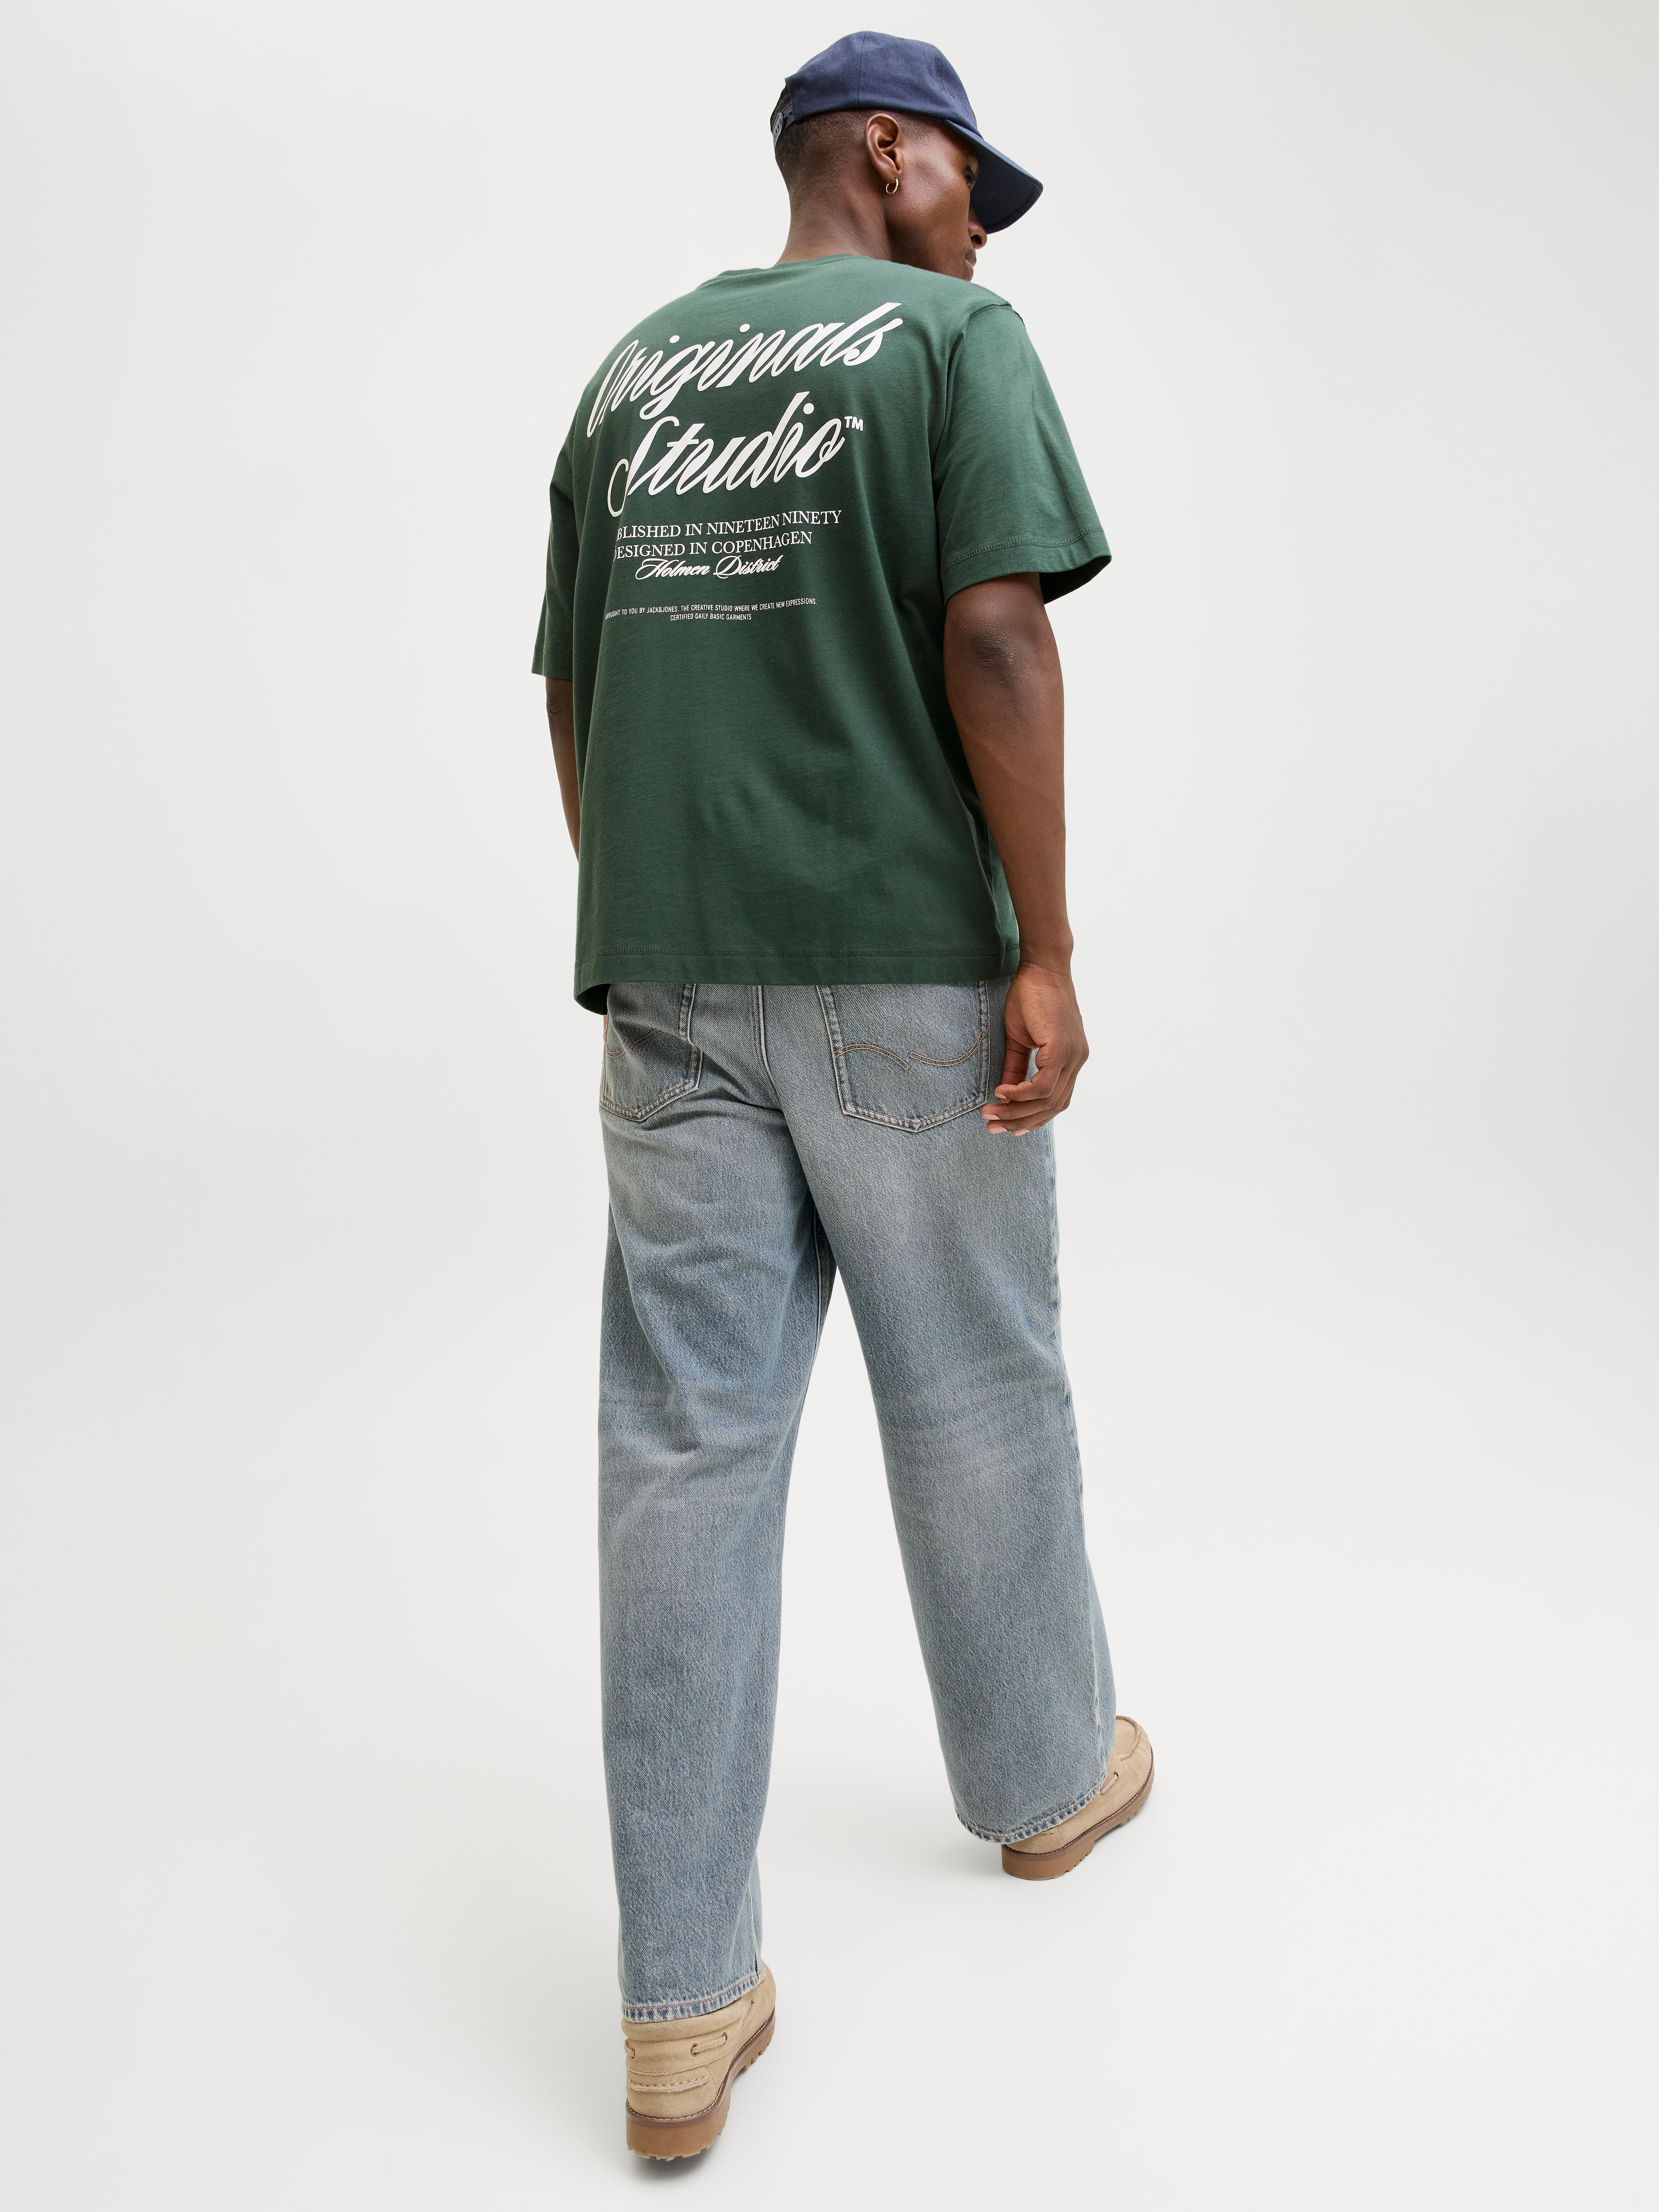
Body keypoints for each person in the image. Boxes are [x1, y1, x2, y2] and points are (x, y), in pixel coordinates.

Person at [533, 29, 1153, 2161]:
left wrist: (657, 914)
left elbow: (574, 680)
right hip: (902, 960)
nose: (984, 228)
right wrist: (1044, 946)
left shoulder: (629, 376)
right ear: (887, 150)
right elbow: (996, 638)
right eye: (973, 181)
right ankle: (1045, 1781)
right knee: (971, 1385)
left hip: (670, 978)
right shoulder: (950, 343)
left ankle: (676, 2009)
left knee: (682, 1453)